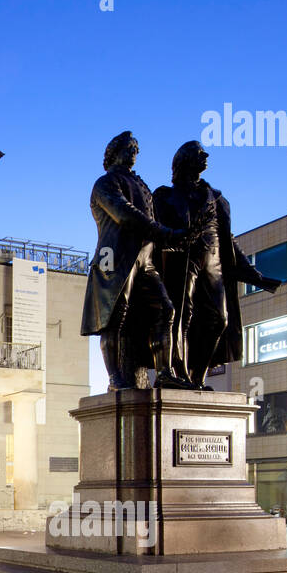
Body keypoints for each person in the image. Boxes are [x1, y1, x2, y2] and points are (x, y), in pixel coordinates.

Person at [152, 141, 281, 387]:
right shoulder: (164, 196)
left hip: (213, 261)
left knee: (219, 319)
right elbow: (157, 233)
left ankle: (198, 376)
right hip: (180, 257)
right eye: (200, 153)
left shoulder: (216, 197)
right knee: (180, 317)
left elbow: (228, 240)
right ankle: (181, 374)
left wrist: (253, 274)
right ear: (184, 160)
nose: (206, 156)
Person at [81, 131, 193, 390]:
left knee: (166, 310)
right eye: (130, 147)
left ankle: (164, 372)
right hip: (116, 258)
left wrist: (176, 241)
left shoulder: (141, 185)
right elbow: (125, 215)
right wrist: (166, 233)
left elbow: (150, 225)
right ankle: (114, 378)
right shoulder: (105, 183)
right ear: (114, 152)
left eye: (136, 148)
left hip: (145, 259)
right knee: (114, 316)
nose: (135, 152)